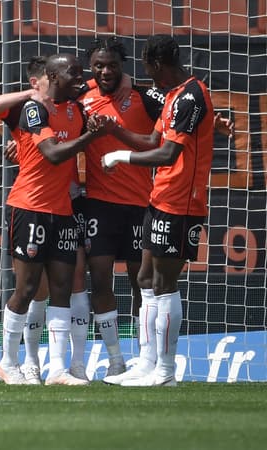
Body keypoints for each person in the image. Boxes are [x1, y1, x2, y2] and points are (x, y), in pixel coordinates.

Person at [100, 35, 217, 386]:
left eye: (149, 69)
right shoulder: (171, 96)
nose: (148, 76)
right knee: (145, 279)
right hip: (160, 198)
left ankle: (166, 372)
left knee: (165, 284)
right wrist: (116, 132)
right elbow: (152, 141)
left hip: (182, 203)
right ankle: (146, 363)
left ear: (157, 65)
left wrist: (122, 157)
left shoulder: (192, 96)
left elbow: (168, 154)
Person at [0, 53, 108, 386]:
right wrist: (89, 139)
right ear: (53, 78)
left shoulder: (74, 110)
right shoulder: (34, 108)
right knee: (27, 288)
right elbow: (53, 154)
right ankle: (9, 363)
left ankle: (58, 369)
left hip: (62, 210)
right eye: (73, 74)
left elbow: (94, 93)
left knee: (62, 290)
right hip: (29, 207)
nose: (80, 80)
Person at [78, 36, 167, 378]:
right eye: (98, 66)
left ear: (123, 66)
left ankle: (150, 357)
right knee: (99, 281)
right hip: (98, 205)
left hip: (139, 204)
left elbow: (178, 106)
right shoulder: (82, 97)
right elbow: (47, 104)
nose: (105, 71)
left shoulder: (144, 97)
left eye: (112, 65)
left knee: (142, 283)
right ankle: (115, 359)